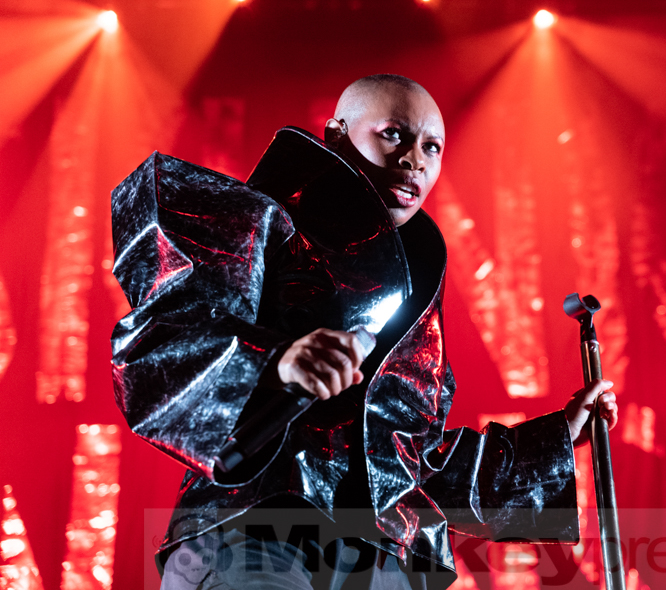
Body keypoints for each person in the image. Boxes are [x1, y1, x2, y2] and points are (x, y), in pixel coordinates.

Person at [111, 74, 617, 590]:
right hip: (253, 532)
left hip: (378, 559)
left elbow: (411, 461)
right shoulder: (260, 224)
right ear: (335, 135)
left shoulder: (416, 295)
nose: (414, 160)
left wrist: (557, 437)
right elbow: (162, 343)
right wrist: (275, 360)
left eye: (432, 147)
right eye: (394, 134)